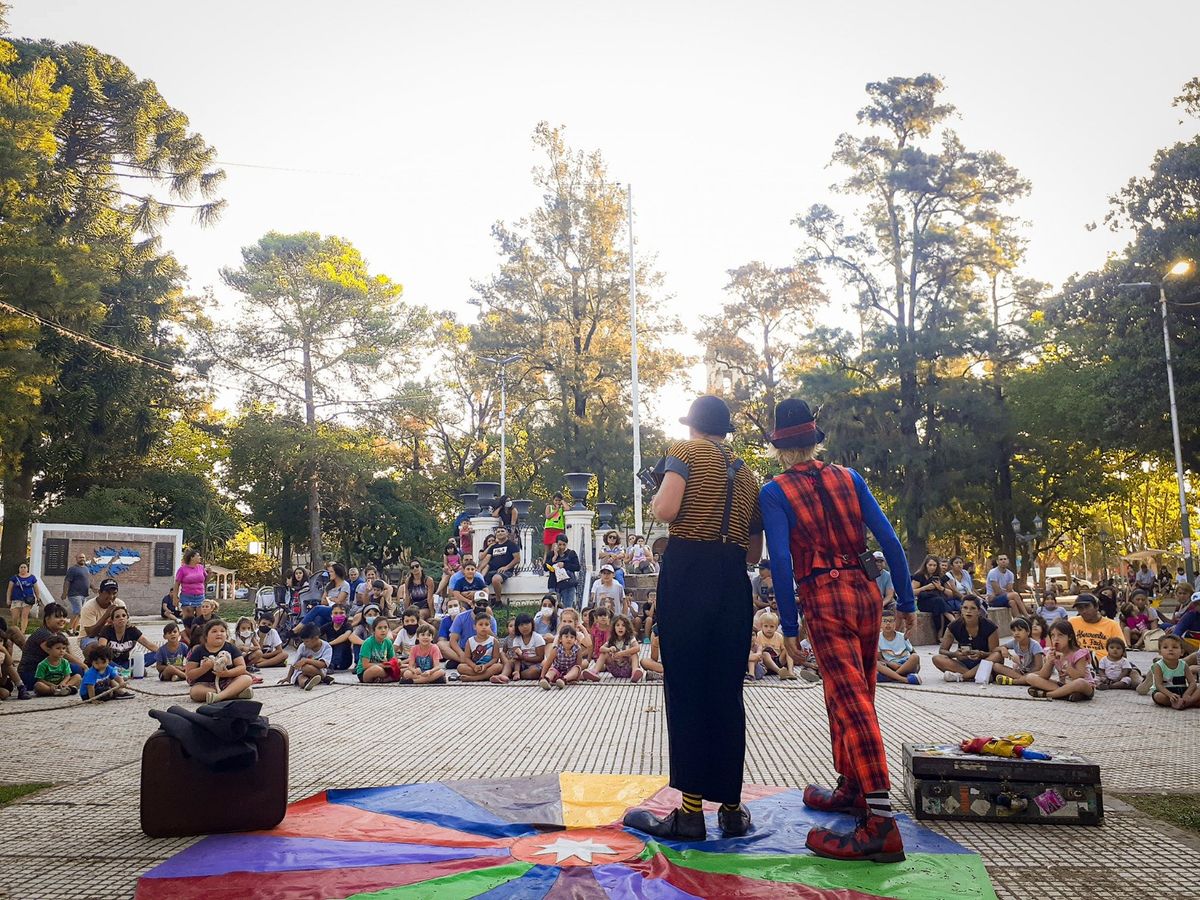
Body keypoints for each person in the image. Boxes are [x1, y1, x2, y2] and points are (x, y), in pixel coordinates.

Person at [757, 398, 914, 862]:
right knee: (852, 693)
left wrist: (789, 623)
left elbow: (780, 561)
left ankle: (880, 822)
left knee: (851, 702)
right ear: (814, 440)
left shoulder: (775, 491)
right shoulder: (850, 478)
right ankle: (853, 787)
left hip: (824, 598)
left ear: (780, 447)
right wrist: (906, 599)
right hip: (865, 593)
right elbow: (889, 539)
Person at [624, 395, 762, 843]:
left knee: (687, 689)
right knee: (726, 690)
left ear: (693, 426)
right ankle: (732, 810)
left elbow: (665, 511)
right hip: (732, 580)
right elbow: (754, 551)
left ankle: (690, 814)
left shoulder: (684, 452)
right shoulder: (748, 473)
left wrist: (657, 495)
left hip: (688, 575)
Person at [16, 603, 80, 698]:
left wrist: (83, 667)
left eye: (64, 617)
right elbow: (64, 655)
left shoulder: (60, 635)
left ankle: (64, 688)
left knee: (77, 671)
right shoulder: (42, 633)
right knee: (77, 669)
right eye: (57, 617)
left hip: (54, 673)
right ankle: (58, 690)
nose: (62, 620)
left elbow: (71, 655)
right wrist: (84, 666)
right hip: (33, 673)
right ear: (47, 619)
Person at [185, 619, 255, 704]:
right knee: (195, 692)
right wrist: (203, 668)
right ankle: (234, 694)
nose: (219, 633)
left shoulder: (231, 648)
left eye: (222, 631)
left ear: (226, 634)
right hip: (206, 685)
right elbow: (189, 674)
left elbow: (242, 667)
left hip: (229, 682)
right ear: (206, 636)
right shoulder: (199, 650)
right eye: (214, 631)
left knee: (247, 679)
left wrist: (227, 673)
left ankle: (219, 696)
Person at [1025, 619, 1096, 701]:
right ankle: (1065, 694)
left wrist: (1065, 662)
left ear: (1070, 637)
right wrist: (1049, 662)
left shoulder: (1079, 654)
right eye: (1053, 635)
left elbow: (1079, 677)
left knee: (1080, 682)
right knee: (1030, 677)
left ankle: (1047, 694)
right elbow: (1044, 676)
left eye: (1060, 635)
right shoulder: (1053, 653)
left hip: (1083, 686)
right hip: (1063, 685)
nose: (1056, 639)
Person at [933, 596, 999, 682]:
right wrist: (955, 654)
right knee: (937, 658)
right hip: (963, 664)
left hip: (984, 663)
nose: (968, 611)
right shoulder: (953, 626)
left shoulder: (990, 627)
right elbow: (942, 650)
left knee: (997, 655)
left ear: (979, 611)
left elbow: (994, 653)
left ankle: (964, 676)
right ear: (961, 609)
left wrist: (981, 654)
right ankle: (977, 676)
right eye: (965, 608)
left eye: (973, 608)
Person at [98, 604, 158, 672]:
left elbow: (148, 644)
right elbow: (101, 651)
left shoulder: (132, 630)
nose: (121, 618)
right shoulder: (106, 630)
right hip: (110, 663)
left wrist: (164, 653)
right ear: (112, 620)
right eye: (117, 616)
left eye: (124, 615)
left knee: (157, 654)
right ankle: (124, 671)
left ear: (127, 618)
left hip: (126, 664)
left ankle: (126, 670)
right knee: (102, 658)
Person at [1067, 593, 1125, 661]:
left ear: (1096, 607)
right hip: (1079, 662)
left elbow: (1121, 650)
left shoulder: (1112, 625)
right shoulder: (1072, 622)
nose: (1084, 611)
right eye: (1080, 608)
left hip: (1105, 663)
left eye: (1087, 606)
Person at [1148, 634, 1199, 709]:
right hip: (1166, 692)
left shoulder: (1183, 664)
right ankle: (1180, 702)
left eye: (1175, 647)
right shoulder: (1158, 666)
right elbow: (1159, 685)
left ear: (1182, 652)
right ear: (1160, 652)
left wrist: (1187, 694)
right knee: (1158, 696)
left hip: (1183, 691)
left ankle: (1186, 702)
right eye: (1165, 647)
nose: (1170, 649)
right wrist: (1170, 695)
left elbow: (1192, 683)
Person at [991, 617, 1043, 685]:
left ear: (1028, 632)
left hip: (1034, 673)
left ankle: (1016, 680)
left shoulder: (1035, 645)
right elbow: (994, 649)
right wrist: (1002, 649)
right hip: (1021, 672)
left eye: (1019, 630)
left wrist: (1028, 674)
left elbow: (1039, 667)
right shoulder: (1014, 642)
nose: (1016, 633)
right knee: (996, 666)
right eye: (1014, 630)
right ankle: (1022, 680)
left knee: (1037, 675)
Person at [279, 624, 332, 690]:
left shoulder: (326, 647)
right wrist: (288, 677)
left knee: (306, 667)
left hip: (318, 671)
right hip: (302, 672)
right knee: (301, 680)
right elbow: (294, 664)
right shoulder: (302, 647)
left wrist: (306, 660)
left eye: (307, 641)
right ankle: (307, 683)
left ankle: (323, 678)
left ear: (316, 638)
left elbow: (323, 664)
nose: (304, 643)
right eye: (303, 641)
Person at [876, 609, 921, 685]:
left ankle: (890, 677)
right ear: (879, 623)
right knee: (876, 663)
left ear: (895, 623)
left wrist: (915, 664)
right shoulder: (877, 639)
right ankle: (904, 679)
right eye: (885, 621)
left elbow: (913, 652)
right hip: (890, 665)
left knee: (915, 657)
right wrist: (890, 664)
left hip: (905, 664)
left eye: (891, 621)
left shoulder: (902, 636)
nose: (888, 624)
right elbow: (880, 658)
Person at [912, 555, 951, 642]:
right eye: (930, 565)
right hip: (925, 602)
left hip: (939, 601)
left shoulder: (940, 576)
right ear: (925, 565)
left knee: (939, 603)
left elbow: (951, 593)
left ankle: (941, 633)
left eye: (934, 565)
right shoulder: (919, 575)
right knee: (939, 602)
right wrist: (925, 588)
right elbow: (912, 592)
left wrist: (941, 588)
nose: (932, 567)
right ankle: (952, 621)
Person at [479, 525, 521, 606]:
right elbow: (486, 559)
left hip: (505, 571)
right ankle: (484, 601)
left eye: (502, 531)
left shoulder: (511, 545)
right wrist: (479, 570)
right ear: (496, 534)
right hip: (491, 570)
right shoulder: (493, 547)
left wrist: (506, 567)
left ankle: (498, 601)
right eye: (498, 532)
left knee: (495, 579)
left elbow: (517, 559)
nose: (500, 533)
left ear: (507, 533)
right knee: (480, 580)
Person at [79, 579, 124, 651]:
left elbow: (125, 625)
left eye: (114, 593)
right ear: (99, 592)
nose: (111, 597)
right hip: (90, 638)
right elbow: (91, 634)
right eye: (108, 593)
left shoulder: (119, 604)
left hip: (111, 635)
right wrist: (106, 615)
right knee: (95, 647)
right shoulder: (89, 607)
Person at [459, 612, 503, 683]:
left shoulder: (494, 641)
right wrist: (474, 666)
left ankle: (473, 678)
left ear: (490, 626)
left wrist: (485, 666)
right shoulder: (470, 641)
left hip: (488, 666)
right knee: (460, 667)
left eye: (487, 624)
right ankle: (486, 676)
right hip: (475, 667)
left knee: (498, 666)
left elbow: (495, 658)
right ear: (474, 627)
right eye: (480, 624)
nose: (484, 627)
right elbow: (467, 658)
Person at [357, 617, 400, 683]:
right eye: (379, 628)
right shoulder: (368, 643)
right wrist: (383, 665)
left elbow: (392, 660)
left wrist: (395, 663)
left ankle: (385, 679)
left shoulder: (388, 642)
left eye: (385, 627)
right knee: (376, 670)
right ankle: (391, 678)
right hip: (366, 672)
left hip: (384, 668)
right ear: (374, 630)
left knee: (401, 666)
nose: (383, 630)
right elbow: (365, 665)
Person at [540, 624, 583, 690]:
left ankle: (563, 680)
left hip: (569, 673)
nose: (569, 639)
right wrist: (542, 676)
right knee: (552, 670)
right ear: (560, 639)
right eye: (566, 637)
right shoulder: (556, 649)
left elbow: (579, 665)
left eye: (572, 637)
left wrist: (576, 678)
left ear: (575, 640)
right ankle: (546, 679)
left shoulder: (577, 649)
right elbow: (548, 663)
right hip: (557, 670)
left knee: (576, 668)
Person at [506, 613, 546, 682]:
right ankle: (504, 675)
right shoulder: (517, 639)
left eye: (527, 624)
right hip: (520, 664)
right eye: (521, 625)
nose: (525, 627)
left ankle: (517, 675)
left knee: (535, 672)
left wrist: (524, 658)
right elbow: (517, 657)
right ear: (517, 627)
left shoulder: (538, 638)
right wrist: (517, 667)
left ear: (532, 624)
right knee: (509, 663)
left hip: (535, 664)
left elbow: (540, 657)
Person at [544, 534, 581, 609]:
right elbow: (545, 567)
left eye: (564, 544)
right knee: (552, 607)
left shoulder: (571, 553)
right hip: (554, 584)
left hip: (568, 584)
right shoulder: (551, 554)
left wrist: (565, 565)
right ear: (556, 544)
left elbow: (577, 567)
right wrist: (554, 556)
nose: (562, 547)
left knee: (567, 608)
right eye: (560, 544)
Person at [61, 551, 93, 635]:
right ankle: (69, 628)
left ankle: (74, 630)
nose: (82, 559)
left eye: (83, 557)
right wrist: (64, 593)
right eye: (80, 557)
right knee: (78, 611)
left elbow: (87, 581)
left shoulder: (86, 569)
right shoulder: (73, 569)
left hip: (84, 594)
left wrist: (93, 588)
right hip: (74, 594)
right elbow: (67, 581)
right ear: (76, 559)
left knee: (81, 613)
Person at [6, 562, 40, 636]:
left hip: (28, 600)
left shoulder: (32, 577)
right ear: (19, 569)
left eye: (24, 567)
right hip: (16, 599)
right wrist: (8, 599)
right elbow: (9, 589)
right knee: (15, 617)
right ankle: (15, 631)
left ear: (27, 569)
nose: (23, 569)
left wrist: (38, 598)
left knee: (24, 616)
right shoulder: (14, 578)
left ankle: (22, 632)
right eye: (21, 567)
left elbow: (36, 588)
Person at [172, 549, 207, 614]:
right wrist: (175, 598)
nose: (200, 557)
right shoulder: (182, 569)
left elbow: (206, 580)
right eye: (198, 556)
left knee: (200, 617)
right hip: (187, 596)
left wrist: (209, 574)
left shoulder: (201, 567)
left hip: (200, 596)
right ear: (192, 558)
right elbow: (177, 584)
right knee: (188, 617)